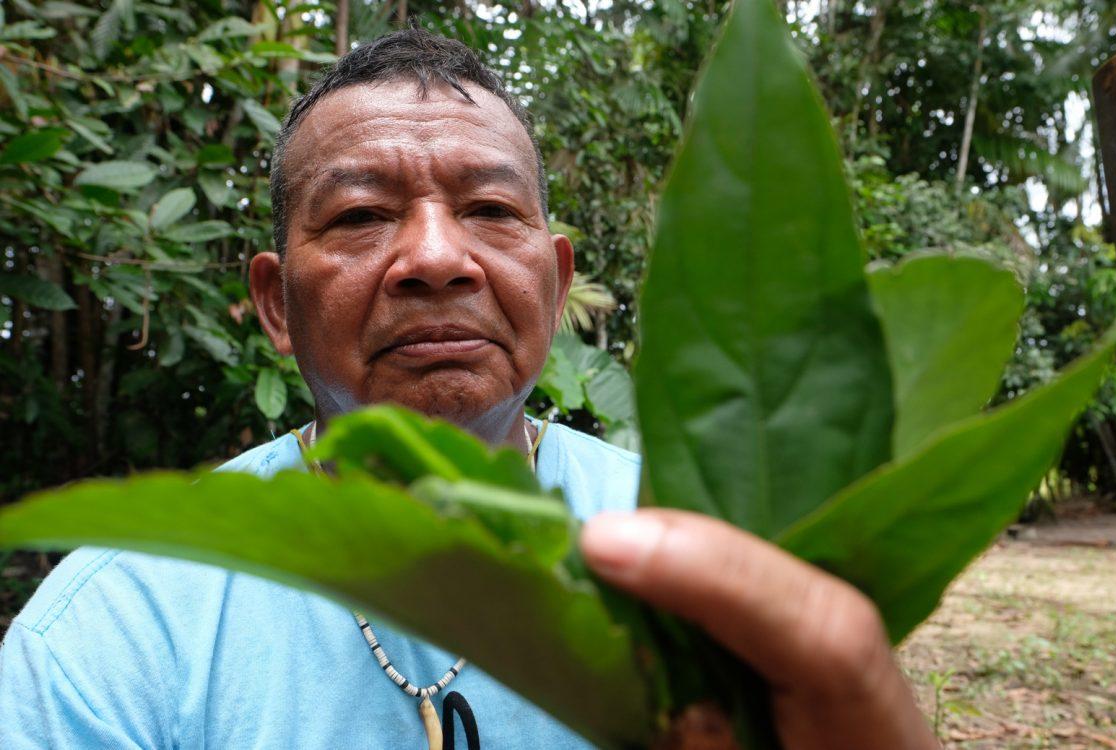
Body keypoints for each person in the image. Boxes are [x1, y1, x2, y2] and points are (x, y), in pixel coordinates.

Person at [0, 28, 937, 750]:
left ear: (558, 283)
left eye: (490, 210)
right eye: (362, 215)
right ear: (276, 303)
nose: (438, 259)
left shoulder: (709, 553)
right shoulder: (117, 633)